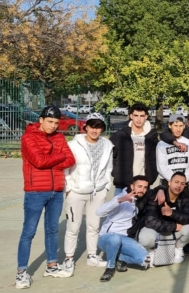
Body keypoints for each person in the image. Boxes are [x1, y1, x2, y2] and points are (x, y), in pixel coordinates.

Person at [15, 106, 76, 288]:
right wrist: (58, 157)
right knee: (29, 232)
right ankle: (21, 272)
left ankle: (51, 265)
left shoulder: (59, 137)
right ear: (41, 120)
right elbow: (39, 161)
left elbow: (70, 159)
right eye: (50, 122)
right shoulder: (28, 138)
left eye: (56, 123)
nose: (53, 126)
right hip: (35, 191)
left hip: (56, 190)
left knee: (52, 230)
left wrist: (51, 160)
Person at [62, 113, 113, 275]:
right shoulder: (74, 144)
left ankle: (92, 256)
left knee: (94, 226)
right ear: (86, 127)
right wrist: (69, 188)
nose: (95, 130)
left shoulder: (107, 145)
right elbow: (66, 168)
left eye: (98, 127)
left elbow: (108, 169)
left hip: (98, 192)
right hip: (77, 192)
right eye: (92, 126)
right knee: (73, 226)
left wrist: (105, 187)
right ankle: (69, 258)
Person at [95, 176, 154, 282]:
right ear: (132, 186)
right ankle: (110, 267)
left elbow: (158, 190)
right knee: (115, 239)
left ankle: (118, 257)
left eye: (145, 187)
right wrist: (120, 200)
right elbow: (99, 212)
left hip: (124, 239)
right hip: (107, 238)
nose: (142, 190)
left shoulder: (137, 202)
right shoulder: (121, 198)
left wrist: (161, 191)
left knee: (145, 259)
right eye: (139, 186)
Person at [139, 172, 189, 264]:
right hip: (156, 231)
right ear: (169, 183)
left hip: (172, 233)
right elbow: (150, 221)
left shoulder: (185, 197)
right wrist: (173, 226)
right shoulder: (157, 195)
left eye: (182, 184)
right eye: (176, 182)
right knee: (144, 238)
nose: (179, 186)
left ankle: (178, 247)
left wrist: (171, 213)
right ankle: (152, 250)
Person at [111, 103, 158, 190]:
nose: (139, 119)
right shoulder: (119, 136)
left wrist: (151, 177)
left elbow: (155, 160)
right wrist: (117, 174)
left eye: (142, 116)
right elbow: (111, 158)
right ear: (131, 116)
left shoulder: (151, 138)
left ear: (146, 117)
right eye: (136, 115)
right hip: (123, 185)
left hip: (143, 186)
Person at [156, 114, 189, 186]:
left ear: (184, 126)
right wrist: (173, 180)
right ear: (170, 125)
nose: (178, 129)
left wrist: (183, 180)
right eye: (175, 126)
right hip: (167, 181)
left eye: (181, 126)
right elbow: (161, 165)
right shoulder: (161, 144)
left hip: (184, 182)